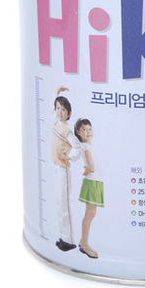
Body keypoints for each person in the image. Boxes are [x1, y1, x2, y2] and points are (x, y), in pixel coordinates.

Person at [51, 86, 82, 252]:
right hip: (56, 167)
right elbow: (54, 105)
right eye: (57, 109)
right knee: (59, 202)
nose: (59, 112)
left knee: (64, 204)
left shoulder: (67, 130)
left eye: (63, 110)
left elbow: (79, 148)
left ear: (69, 113)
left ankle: (68, 240)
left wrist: (69, 157)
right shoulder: (57, 123)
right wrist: (57, 93)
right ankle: (62, 237)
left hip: (63, 170)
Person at [74, 118, 104, 259]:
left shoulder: (88, 147)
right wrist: (88, 169)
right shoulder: (86, 148)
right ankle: (84, 244)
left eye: (89, 129)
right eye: (84, 129)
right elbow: (91, 166)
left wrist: (88, 168)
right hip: (92, 183)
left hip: (95, 182)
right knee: (90, 214)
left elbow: (91, 166)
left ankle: (83, 242)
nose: (88, 132)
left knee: (91, 213)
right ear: (78, 132)